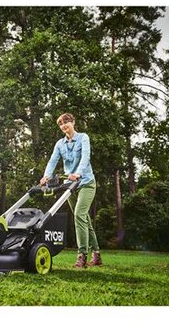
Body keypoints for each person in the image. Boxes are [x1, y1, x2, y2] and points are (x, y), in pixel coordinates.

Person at [40, 113, 102, 268]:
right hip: (70, 186)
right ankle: (96, 255)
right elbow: (53, 160)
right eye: (61, 124)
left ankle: (82, 255)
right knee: (84, 218)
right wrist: (46, 176)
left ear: (73, 122)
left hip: (86, 182)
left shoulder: (83, 138)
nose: (63, 126)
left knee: (79, 215)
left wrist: (78, 173)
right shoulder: (60, 144)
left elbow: (85, 157)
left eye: (66, 122)